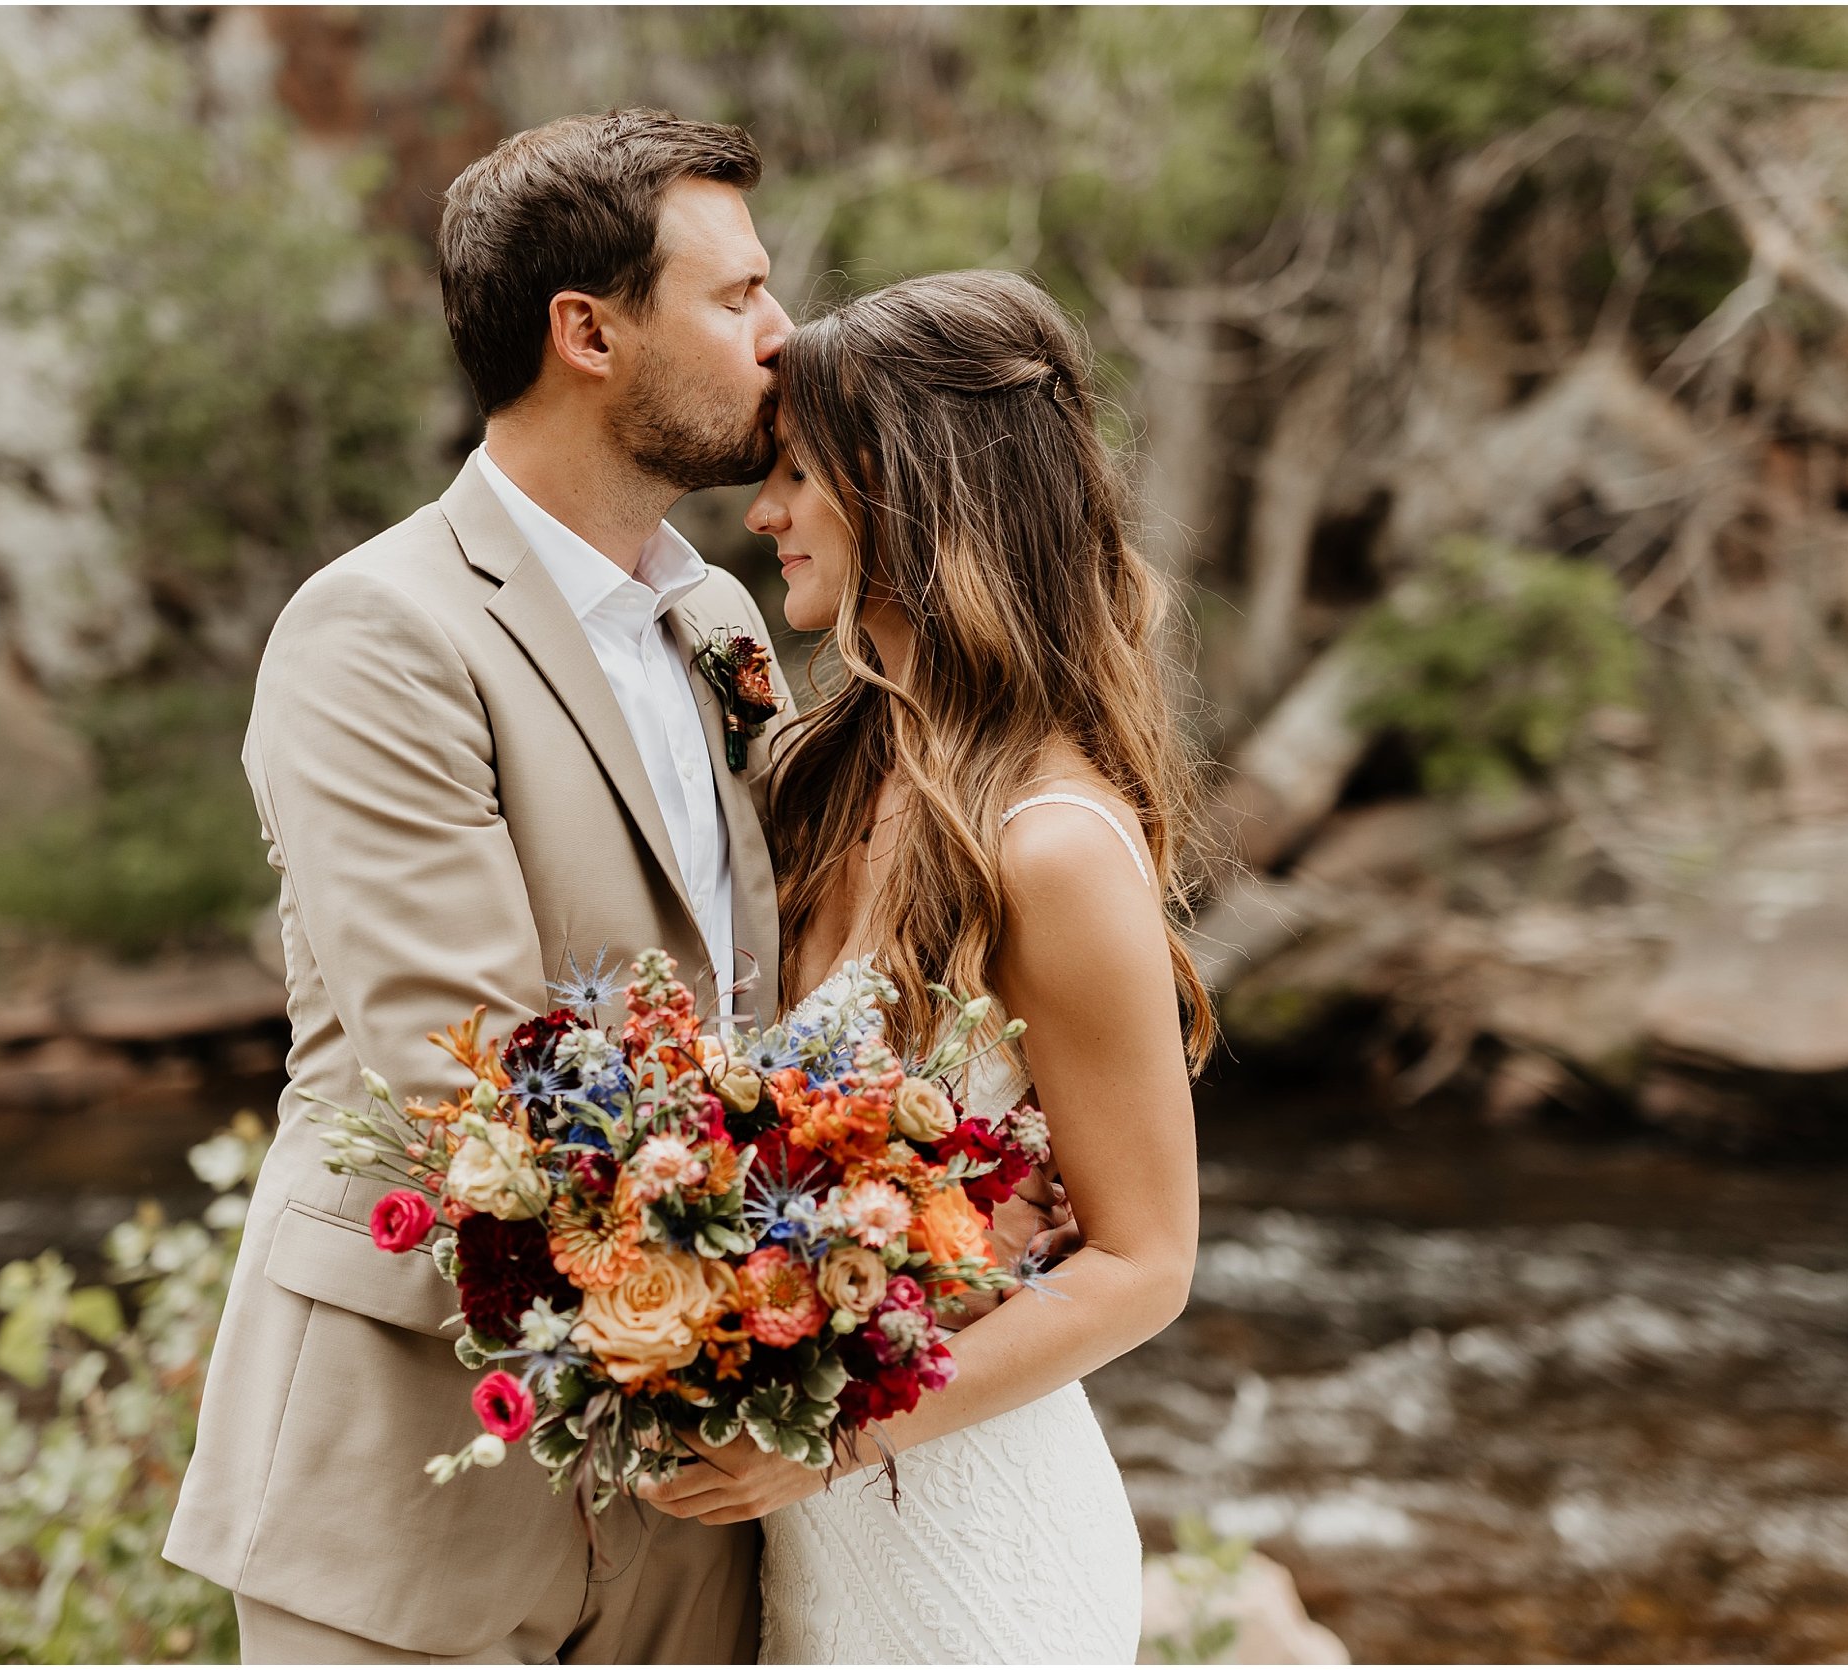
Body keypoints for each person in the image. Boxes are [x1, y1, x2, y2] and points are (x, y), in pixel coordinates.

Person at [160, 109, 797, 1663]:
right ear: (588, 330)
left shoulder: (718, 614)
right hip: (417, 1456)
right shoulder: (378, 629)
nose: (786, 338)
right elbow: (475, 1065)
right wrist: (794, 1292)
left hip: (691, 1494)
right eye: (737, 299)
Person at [638, 269, 1213, 1665]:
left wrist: (832, 1430)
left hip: (969, 1543)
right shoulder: (831, 770)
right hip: (817, 1546)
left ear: (905, 490)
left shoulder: (1054, 840)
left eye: (795, 474)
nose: (762, 513)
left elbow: (1145, 1259)